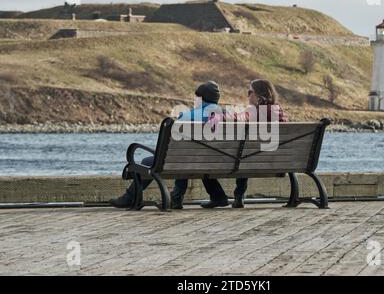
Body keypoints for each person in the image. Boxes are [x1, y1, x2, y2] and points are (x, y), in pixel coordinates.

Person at [110, 81, 222, 209]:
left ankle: (129, 198)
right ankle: (216, 196)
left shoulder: (188, 116)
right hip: (213, 160)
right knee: (187, 157)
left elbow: (176, 141)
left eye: (196, 97)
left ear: (201, 98)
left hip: (189, 160)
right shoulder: (225, 116)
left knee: (148, 161)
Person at [201, 79, 288, 209]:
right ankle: (238, 196)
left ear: (259, 95)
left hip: (251, 160)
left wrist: (218, 116)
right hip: (280, 161)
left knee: (240, 156)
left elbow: (238, 118)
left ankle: (232, 196)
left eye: (250, 92)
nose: (248, 95)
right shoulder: (280, 112)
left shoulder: (256, 111)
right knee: (246, 153)